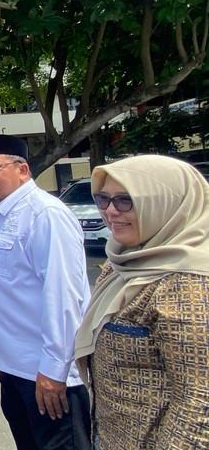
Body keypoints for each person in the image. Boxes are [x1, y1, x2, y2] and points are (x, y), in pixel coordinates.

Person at [0, 134, 91, 449]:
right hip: (13, 367)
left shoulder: (44, 214)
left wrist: (54, 370)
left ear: (22, 170)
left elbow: (64, 296)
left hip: (46, 373)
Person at [74, 155, 209, 448]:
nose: (110, 211)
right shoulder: (122, 263)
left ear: (169, 204)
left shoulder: (188, 285)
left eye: (126, 200)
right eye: (103, 199)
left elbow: (199, 406)